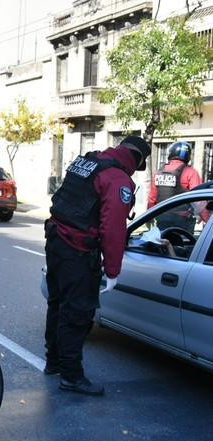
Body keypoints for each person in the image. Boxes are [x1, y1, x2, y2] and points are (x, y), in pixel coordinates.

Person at [44, 135, 151, 396]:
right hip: (78, 252)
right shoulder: (117, 179)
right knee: (78, 312)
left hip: (56, 240)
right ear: (137, 160)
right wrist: (113, 270)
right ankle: (71, 376)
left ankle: (54, 361)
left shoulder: (87, 161)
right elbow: (113, 229)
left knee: (57, 304)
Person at [147, 141, 210, 231]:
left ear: (171, 153)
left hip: (162, 220)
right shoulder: (190, 172)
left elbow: (151, 199)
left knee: (163, 244)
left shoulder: (158, 172)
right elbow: (199, 201)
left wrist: (148, 219)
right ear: (188, 156)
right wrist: (207, 219)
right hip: (182, 223)